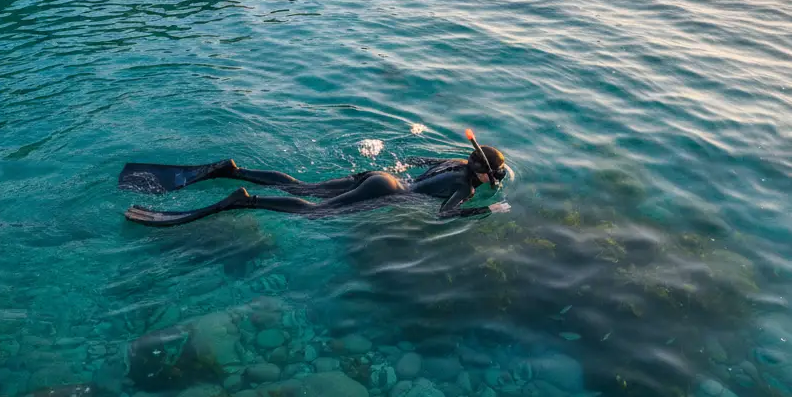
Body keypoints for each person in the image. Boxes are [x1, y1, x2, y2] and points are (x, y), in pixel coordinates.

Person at [119, 141, 510, 228]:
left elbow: (412, 161)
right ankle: (245, 199)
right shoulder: (468, 187)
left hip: (383, 178)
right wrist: (485, 210)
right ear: (486, 174)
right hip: (390, 193)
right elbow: (445, 215)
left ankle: (233, 170)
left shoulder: (456, 161)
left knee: (303, 187)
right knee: (315, 213)